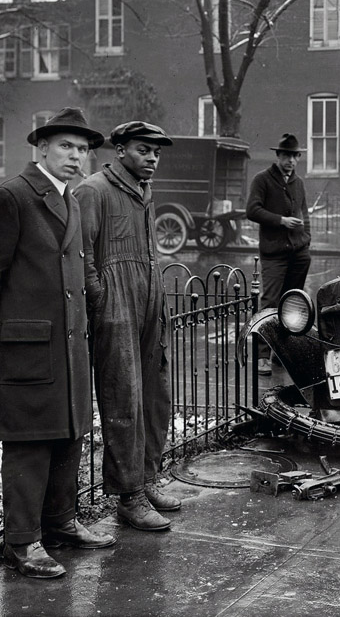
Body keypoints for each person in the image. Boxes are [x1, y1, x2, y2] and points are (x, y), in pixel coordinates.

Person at [0, 108, 115, 579]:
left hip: (67, 344)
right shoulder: (14, 196)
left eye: (83, 148)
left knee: (69, 434)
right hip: (28, 347)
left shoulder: (69, 198)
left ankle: (60, 523)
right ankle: (21, 543)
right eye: (66, 145)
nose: (76, 155)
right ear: (42, 147)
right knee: (29, 443)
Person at [75, 120, 178, 531]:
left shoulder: (142, 190)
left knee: (156, 397)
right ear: (119, 150)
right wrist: (101, 299)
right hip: (116, 308)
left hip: (149, 301)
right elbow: (82, 255)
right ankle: (128, 495)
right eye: (142, 149)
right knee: (123, 400)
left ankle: (147, 478)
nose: (151, 157)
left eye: (156, 151)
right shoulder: (94, 191)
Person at [246, 133, 311, 375]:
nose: (290, 161)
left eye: (295, 156)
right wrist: (281, 221)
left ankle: (280, 354)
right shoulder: (262, 180)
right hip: (274, 254)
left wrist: (306, 241)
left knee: (292, 303)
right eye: (286, 155)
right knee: (270, 302)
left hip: (299, 254)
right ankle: (262, 355)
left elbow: (305, 215)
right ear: (278, 156)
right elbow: (252, 210)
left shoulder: (299, 183)